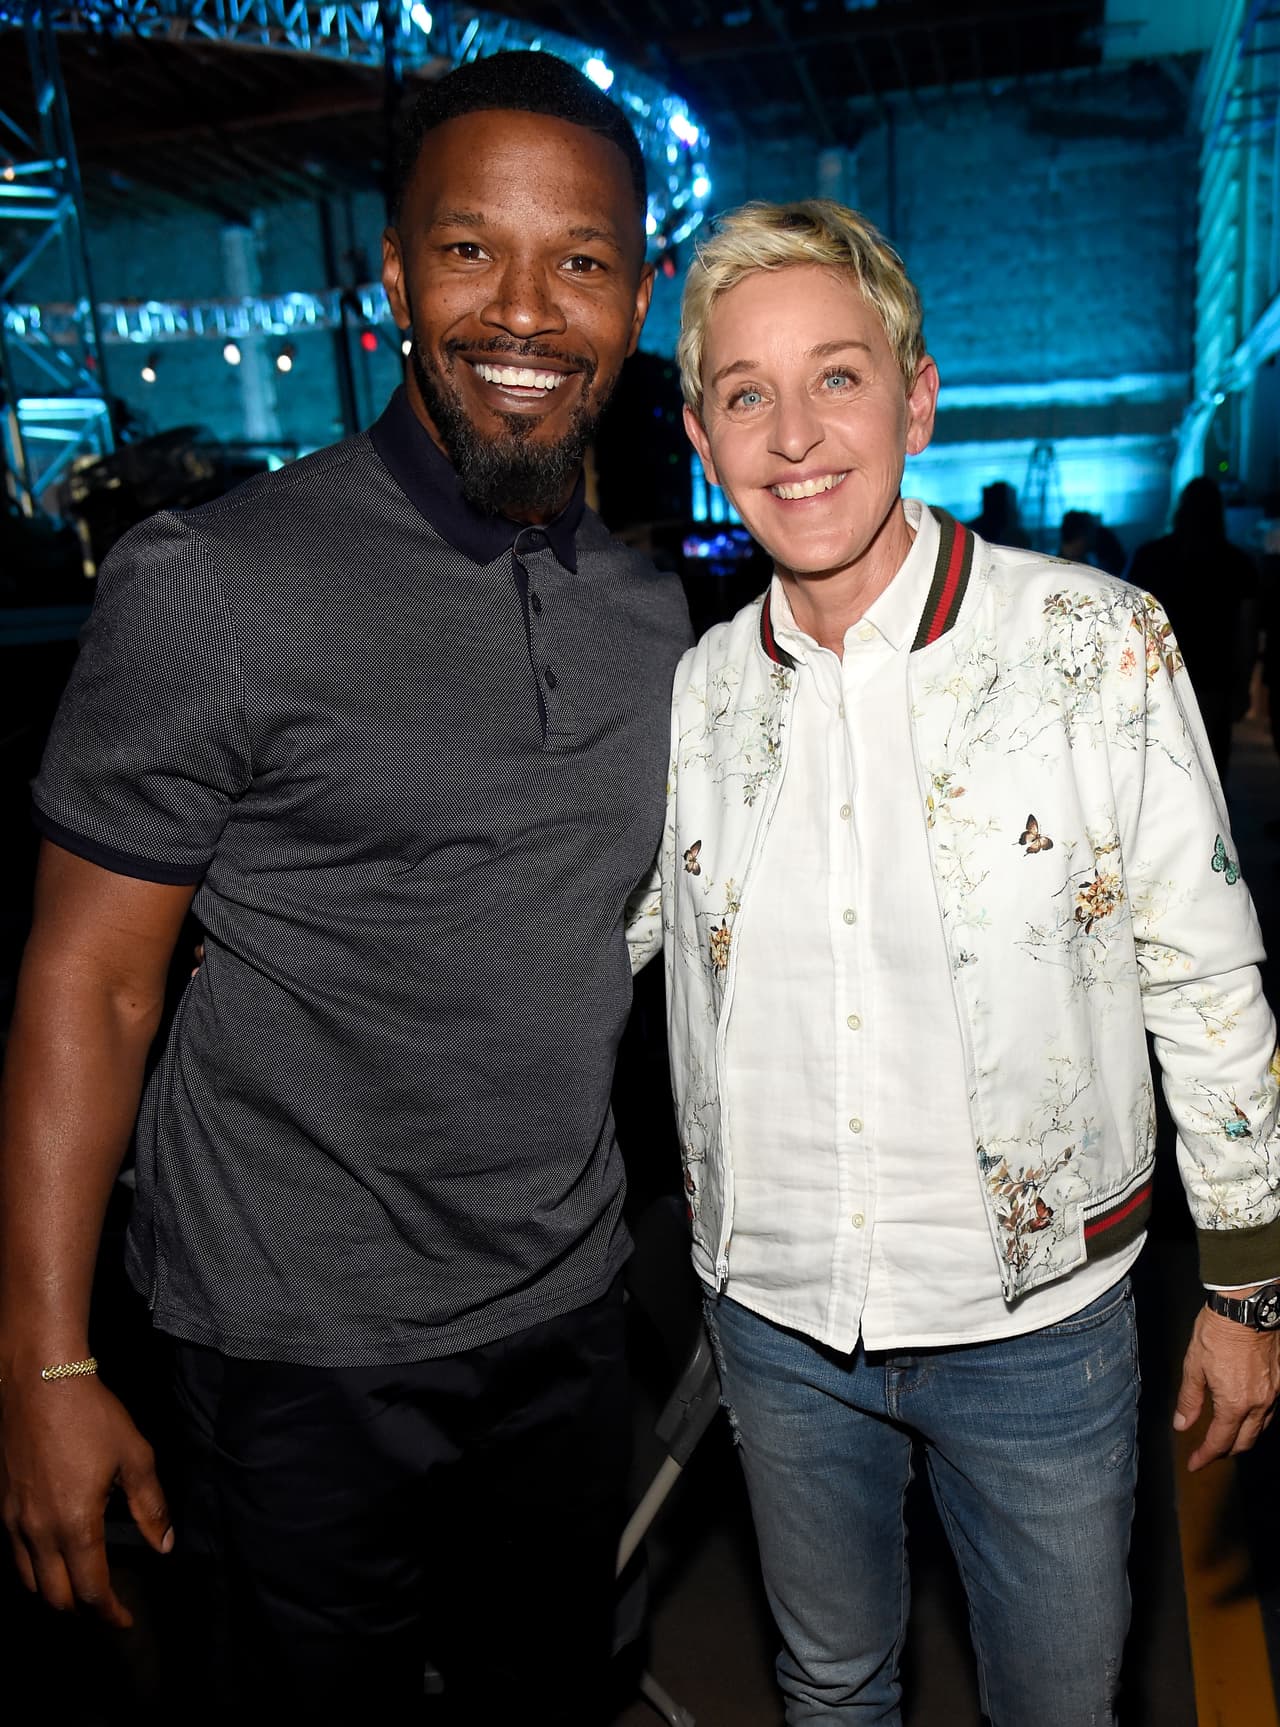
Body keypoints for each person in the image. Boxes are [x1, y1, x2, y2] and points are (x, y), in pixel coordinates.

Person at [0, 52, 689, 1724]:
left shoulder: (656, 610)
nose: (522, 309)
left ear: (638, 295)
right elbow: (89, 985)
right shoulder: (215, 585)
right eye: (470, 250)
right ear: (390, 275)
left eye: (580, 261)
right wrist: (40, 1361)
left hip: (567, 1315)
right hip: (293, 1348)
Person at [658, 199, 1280, 1725]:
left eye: (839, 377)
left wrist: (1249, 1280)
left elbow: (1205, 972)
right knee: (829, 1677)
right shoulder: (696, 695)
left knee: (1061, 1703)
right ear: (700, 430)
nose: (795, 433)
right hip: (779, 1311)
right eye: (746, 392)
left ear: (918, 396)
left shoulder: (1097, 640)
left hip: (1043, 1326)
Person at [1128, 477, 1257, 783]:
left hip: (1160, 677)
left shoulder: (1151, 557)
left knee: (1159, 771)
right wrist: (1243, 686)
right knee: (1211, 775)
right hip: (1214, 680)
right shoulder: (1237, 564)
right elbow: (1246, 631)